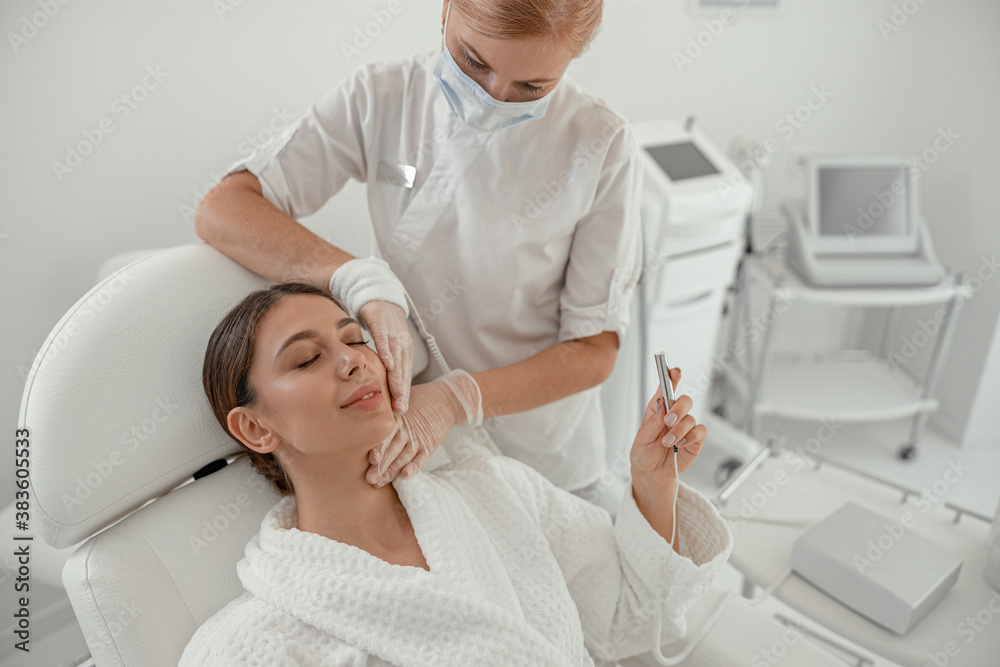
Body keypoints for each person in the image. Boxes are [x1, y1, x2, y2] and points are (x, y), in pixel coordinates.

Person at [195, 0, 646, 500]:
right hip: (405, 449)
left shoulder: (600, 143)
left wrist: (458, 399)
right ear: (448, 8)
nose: (492, 97)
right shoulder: (381, 97)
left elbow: (594, 351)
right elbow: (224, 210)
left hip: (538, 456)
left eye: (530, 88)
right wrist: (357, 279)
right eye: (474, 62)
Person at [179, 283, 733, 666]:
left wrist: (652, 483)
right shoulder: (253, 643)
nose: (353, 361)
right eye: (305, 360)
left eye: (355, 340)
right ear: (254, 429)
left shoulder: (495, 491)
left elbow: (628, 618)